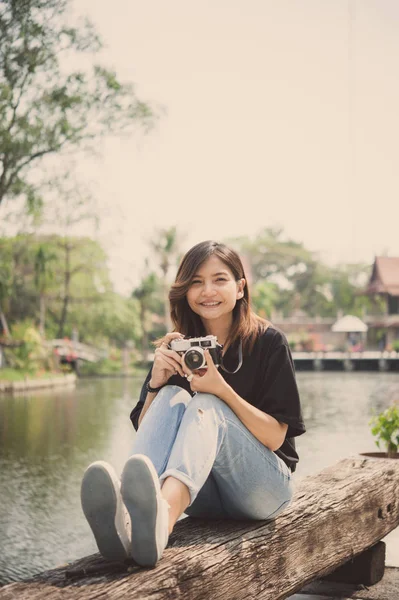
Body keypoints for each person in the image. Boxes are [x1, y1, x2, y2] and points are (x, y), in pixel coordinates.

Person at [81, 240, 306, 568]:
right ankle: (126, 523)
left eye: (219, 279)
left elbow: (275, 438)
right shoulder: (179, 345)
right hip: (203, 496)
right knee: (172, 396)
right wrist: (157, 384)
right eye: (196, 282)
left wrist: (222, 391)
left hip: (265, 492)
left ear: (240, 288)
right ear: (185, 291)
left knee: (206, 403)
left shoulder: (269, 342)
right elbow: (148, 436)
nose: (207, 290)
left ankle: (162, 523)